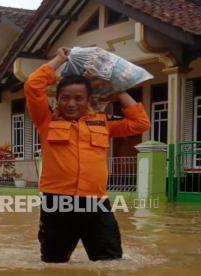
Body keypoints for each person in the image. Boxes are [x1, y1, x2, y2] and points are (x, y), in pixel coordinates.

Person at [24, 47, 151, 263]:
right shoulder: (46, 121)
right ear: (58, 99)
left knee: (110, 260)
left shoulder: (103, 123)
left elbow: (140, 123)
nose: (71, 103)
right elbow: (32, 86)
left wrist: (118, 90)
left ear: (88, 99)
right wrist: (58, 60)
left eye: (78, 98)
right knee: (54, 263)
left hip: (96, 204)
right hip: (57, 203)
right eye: (65, 98)